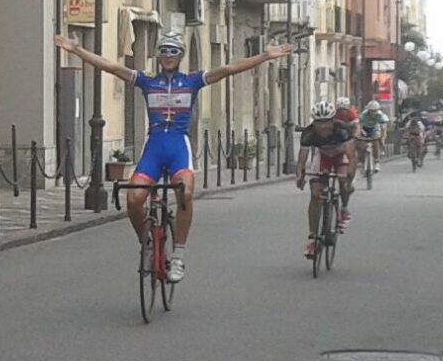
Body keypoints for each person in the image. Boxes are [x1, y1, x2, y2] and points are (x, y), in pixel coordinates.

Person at [53, 31, 294, 283]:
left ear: (181, 55)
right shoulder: (146, 80)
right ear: (157, 55)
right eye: (164, 51)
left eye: (173, 51)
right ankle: (146, 243)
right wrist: (77, 51)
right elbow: (112, 67)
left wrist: (265, 56)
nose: (168, 56)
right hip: (154, 147)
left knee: (185, 192)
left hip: (178, 146)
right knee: (134, 198)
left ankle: (178, 255)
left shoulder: (192, 80)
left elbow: (228, 69)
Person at [295, 101, 355, 258]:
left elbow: (351, 156)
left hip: (340, 156)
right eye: (318, 122)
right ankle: (314, 237)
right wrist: (300, 175)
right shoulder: (308, 133)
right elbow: (302, 159)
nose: (323, 126)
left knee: (343, 181)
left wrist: (349, 178)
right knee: (315, 194)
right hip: (322, 157)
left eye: (326, 122)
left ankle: (344, 209)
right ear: (314, 122)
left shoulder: (342, 130)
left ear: (332, 120)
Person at [358, 99, 389, 173]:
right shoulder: (363, 115)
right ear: (368, 110)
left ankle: (377, 161)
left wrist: (382, 139)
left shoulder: (380, 115)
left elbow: (383, 127)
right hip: (364, 128)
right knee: (360, 144)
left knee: (376, 142)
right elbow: (359, 126)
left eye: (375, 110)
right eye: (371, 110)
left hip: (375, 128)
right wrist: (359, 135)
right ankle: (362, 162)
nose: (373, 113)